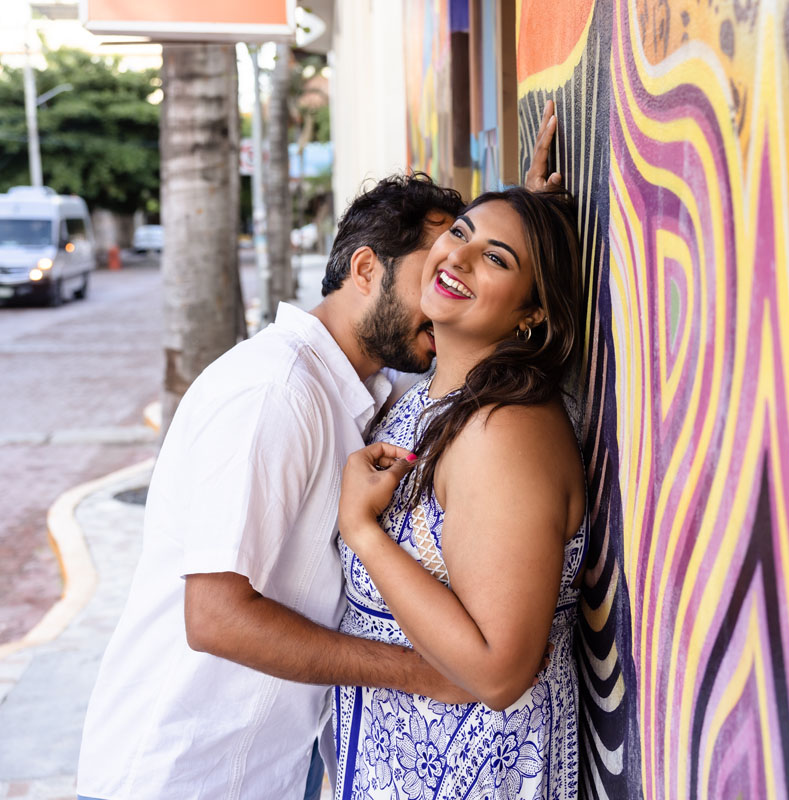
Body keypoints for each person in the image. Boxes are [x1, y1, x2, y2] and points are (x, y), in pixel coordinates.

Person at [77, 103, 564, 800]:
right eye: (431, 273)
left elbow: (476, 325)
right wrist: (423, 673)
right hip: (183, 776)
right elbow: (214, 616)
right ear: (365, 268)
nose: (443, 293)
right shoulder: (275, 394)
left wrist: (526, 232)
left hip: (270, 768)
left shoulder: (373, 385)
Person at [329, 186, 586, 799]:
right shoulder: (436, 389)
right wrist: (522, 206)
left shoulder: (505, 432)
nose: (458, 258)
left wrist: (363, 531)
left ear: (534, 314)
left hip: (469, 770)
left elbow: (499, 671)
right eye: (460, 232)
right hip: (396, 760)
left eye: (498, 259)